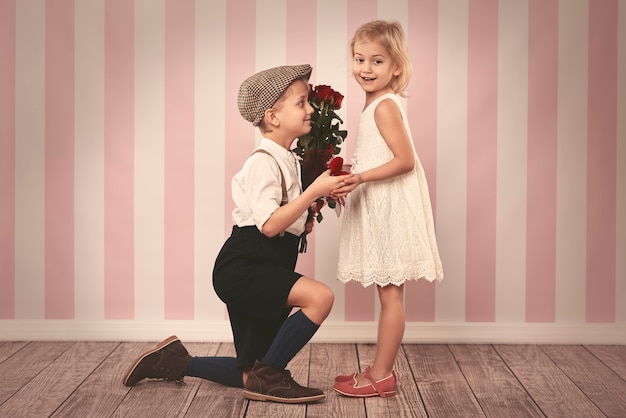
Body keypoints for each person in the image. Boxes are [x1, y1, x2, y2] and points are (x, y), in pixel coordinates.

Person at [122, 64, 353, 404]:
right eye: (302, 103)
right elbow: (269, 225)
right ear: (273, 116)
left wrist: (308, 211)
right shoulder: (262, 162)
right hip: (245, 266)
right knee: (320, 297)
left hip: (267, 262)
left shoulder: (289, 159)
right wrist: (311, 191)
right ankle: (272, 376)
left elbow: (285, 221)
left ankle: (174, 362)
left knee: (251, 371)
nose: (312, 109)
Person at [331, 20, 444, 398]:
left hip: (391, 206)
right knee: (387, 293)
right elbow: (380, 155)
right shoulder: (377, 105)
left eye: (377, 61)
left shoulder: (383, 107)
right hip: (382, 205)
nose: (365, 68)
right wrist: (353, 172)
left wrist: (361, 179)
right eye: (360, 59)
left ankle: (382, 375)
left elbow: (405, 161)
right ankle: (380, 368)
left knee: (391, 295)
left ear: (396, 66)